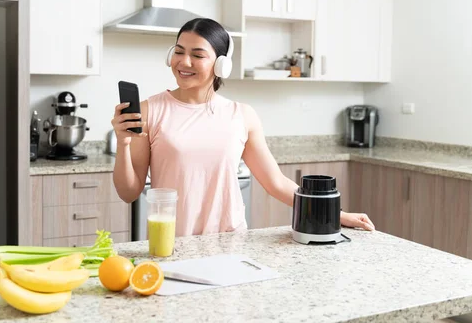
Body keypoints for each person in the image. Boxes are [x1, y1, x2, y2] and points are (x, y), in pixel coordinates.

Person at [111, 17, 375, 237]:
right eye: (179, 51)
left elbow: (276, 183)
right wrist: (123, 143)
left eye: (197, 55)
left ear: (221, 64)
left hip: (232, 243)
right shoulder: (150, 110)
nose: (184, 62)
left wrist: (338, 215)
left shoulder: (242, 115)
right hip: (172, 245)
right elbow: (128, 192)